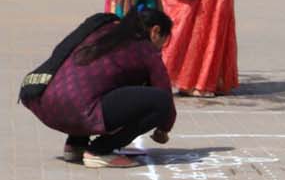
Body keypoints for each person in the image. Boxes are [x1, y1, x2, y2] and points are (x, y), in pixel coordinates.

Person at [19, 9, 177, 168]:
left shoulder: (102, 27)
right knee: (160, 101)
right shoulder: (146, 49)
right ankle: (99, 151)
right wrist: (164, 128)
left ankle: (76, 145)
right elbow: (165, 96)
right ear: (155, 31)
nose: (160, 49)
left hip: (45, 101)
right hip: (79, 111)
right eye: (162, 43)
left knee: (93, 84)